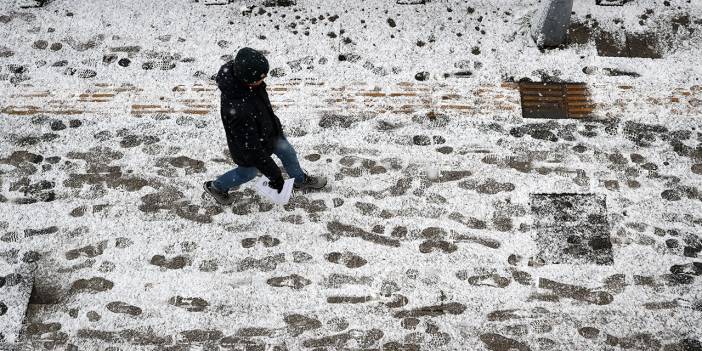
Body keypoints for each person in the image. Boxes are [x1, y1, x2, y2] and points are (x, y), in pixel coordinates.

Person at [203, 47, 326, 205]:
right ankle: (216, 187)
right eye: (260, 77)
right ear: (247, 79)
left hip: (268, 132)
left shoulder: (247, 79)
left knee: (288, 152)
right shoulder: (238, 109)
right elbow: (253, 150)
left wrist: (274, 125)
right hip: (247, 147)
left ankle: (300, 180)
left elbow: (260, 107)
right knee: (247, 173)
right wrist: (275, 176)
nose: (264, 79)